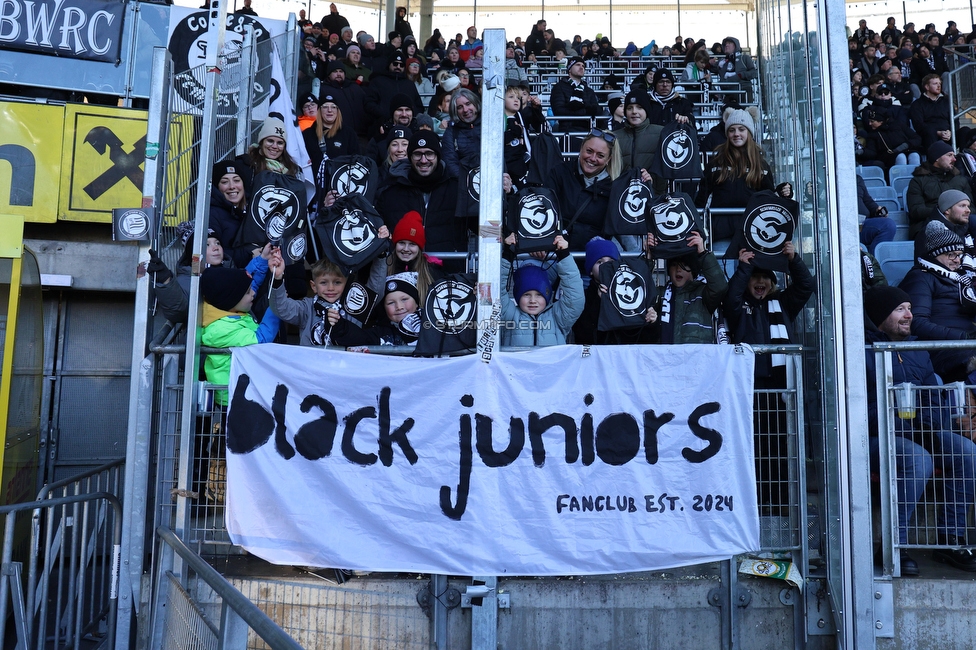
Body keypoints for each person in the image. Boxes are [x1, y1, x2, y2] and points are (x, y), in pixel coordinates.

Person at [863, 285, 976, 574]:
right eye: (900, 309)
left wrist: (928, 424)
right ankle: (893, 545)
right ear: (879, 316)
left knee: (967, 452)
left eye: (910, 308)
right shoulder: (862, 353)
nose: (909, 315)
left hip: (917, 432)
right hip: (876, 438)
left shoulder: (917, 350)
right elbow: (861, 413)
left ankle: (951, 539)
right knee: (918, 459)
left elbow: (934, 402)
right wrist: (908, 424)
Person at [724, 242, 814, 514]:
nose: (760, 281)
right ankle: (753, 505)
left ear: (773, 284)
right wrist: (744, 267)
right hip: (748, 389)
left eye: (765, 277)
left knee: (778, 448)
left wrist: (794, 259)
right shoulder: (739, 307)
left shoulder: (783, 304)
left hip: (780, 389)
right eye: (755, 277)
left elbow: (805, 286)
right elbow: (730, 299)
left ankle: (779, 507)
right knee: (752, 448)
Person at [696, 107, 790, 238]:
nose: (736, 134)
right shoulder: (716, 163)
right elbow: (701, 197)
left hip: (752, 232)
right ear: (727, 134)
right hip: (721, 231)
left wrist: (781, 192)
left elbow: (768, 198)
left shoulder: (761, 165)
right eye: (732, 130)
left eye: (741, 129)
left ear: (749, 133)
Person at [900, 221, 976, 382]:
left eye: (959, 255)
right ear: (935, 254)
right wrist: (964, 337)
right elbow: (917, 323)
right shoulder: (921, 278)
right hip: (943, 350)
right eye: (951, 255)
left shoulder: (960, 279)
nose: (957, 260)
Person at [375, 131, 467, 253]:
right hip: (404, 267)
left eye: (429, 154)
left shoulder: (456, 189)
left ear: (438, 156)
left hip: (448, 267)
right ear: (410, 157)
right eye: (417, 154)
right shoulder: (390, 191)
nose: (423, 160)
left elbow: (479, 225)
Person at [200, 262, 279, 403]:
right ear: (232, 299)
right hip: (232, 396)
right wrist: (277, 305)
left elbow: (245, 287)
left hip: (243, 389)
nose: (253, 293)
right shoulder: (221, 329)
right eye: (248, 292)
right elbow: (261, 338)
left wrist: (263, 260)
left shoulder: (226, 308)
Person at [500, 234, 584, 347]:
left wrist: (563, 254)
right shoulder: (510, 315)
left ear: (548, 294)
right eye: (526, 295)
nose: (533, 300)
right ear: (517, 296)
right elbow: (496, 289)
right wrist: (507, 254)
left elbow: (575, 295)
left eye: (539, 294)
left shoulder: (558, 316)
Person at [269, 254, 368, 347]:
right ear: (313, 286)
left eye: (337, 282)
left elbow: (375, 287)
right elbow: (282, 308)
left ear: (347, 285)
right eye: (323, 282)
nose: (330, 288)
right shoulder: (307, 307)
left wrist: (381, 257)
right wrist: (277, 278)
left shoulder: (355, 306)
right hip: (311, 363)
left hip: (345, 363)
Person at [546, 129, 621, 250]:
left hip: (594, 259)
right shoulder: (559, 172)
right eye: (589, 151)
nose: (592, 158)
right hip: (556, 251)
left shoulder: (615, 187)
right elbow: (544, 208)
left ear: (608, 159)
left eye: (600, 155)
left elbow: (621, 230)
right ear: (581, 149)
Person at [572, 237, 657, 344]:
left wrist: (651, 321)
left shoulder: (632, 291)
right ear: (590, 271)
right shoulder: (584, 298)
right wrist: (599, 303)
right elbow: (583, 336)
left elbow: (643, 338)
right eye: (599, 262)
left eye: (611, 261)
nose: (606, 265)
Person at [651, 231, 728, 344]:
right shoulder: (661, 294)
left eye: (684, 265)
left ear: (693, 271)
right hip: (666, 359)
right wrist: (648, 257)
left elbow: (720, 286)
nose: (678, 269)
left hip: (697, 360)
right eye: (673, 265)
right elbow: (642, 295)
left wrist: (702, 253)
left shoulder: (703, 293)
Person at [327, 272, 422, 347]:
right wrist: (338, 325)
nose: (399, 307)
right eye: (391, 303)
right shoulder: (379, 333)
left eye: (404, 299)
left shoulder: (430, 326)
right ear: (384, 308)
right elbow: (356, 338)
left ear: (417, 302)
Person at [368, 210, 444, 303]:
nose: (406, 249)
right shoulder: (384, 267)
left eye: (412, 244)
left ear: (419, 248)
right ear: (395, 244)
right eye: (401, 243)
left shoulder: (431, 272)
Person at [906, 141, 973, 237]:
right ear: (937, 158)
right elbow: (916, 211)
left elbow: (972, 207)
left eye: (954, 156)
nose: (954, 159)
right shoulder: (918, 181)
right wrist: (945, 212)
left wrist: (956, 214)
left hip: (960, 222)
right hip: (929, 223)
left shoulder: (960, 179)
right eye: (950, 155)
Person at [364, 51, 424, 137]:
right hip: (382, 128)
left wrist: (409, 117)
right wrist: (385, 114)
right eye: (395, 64)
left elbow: (418, 106)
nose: (398, 67)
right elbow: (369, 103)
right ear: (389, 64)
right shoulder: (377, 81)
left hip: (408, 129)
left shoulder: (409, 84)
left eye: (401, 65)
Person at [304, 92, 360, 176]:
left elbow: (356, 160)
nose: (329, 110)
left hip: (340, 184)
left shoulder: (348, 133)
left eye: (333, 107)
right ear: (319, 111)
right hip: (314, 184)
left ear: (338, 111)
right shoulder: (308, 134)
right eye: (325, 107)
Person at [858, 105, 921, 174]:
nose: (869, 124)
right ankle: (901, 180)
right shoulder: (873, 134)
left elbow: (916, 138)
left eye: (872, 121)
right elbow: (872, 152)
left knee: (914, 155)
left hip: (907, 149)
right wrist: (862, 152)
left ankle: (916, 179)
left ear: (881, 121)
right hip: (888, 157)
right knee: (901, 157)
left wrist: (906, 145)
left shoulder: (899, 125)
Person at [548, 57, 601, 132]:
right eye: (577, 65)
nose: (581, 67)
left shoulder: (589, 90)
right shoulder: (559, 87)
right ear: (569, 69)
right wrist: (585, 111)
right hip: (567, 131)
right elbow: (559, 111)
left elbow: (597, 111)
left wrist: (575, 109)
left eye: (583, 66)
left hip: (588, 131)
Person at [320, 61, 368, 142]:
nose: (339, 74)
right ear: (329, 74)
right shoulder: (323, 90)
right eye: (335, 71)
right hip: (337, 135)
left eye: (341, 71)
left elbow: (367, 105)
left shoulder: (355, 87)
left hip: (361, 135)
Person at [616, 89, 662, 174]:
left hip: (653, 187)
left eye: (639, 107)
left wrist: (684, 122)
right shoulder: (616, 136)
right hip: (623, 186)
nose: (634, 112)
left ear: (646, 110)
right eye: (629, 108)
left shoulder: (661, 132)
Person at [442, 89, 481, 180]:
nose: (465, 110)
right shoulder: (451, 133)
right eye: (460, 107)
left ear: (475, 104)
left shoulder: (488, 126)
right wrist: (471, 182)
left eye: (468, 104)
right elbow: (450, 163)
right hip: (464, 184)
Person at [909, 74, 952, 151]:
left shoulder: (947, 102)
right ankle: (934, 161)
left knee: (965, 131)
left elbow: (954, 120)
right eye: (935, 84)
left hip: (948, 134)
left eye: (939, 83)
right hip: (929, 135)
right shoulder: (917, 104)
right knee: (930, 132)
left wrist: (950, 132)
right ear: (927, 87)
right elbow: (919, 125)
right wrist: (938, 132)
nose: (939, 86)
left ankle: (963, 160)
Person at [856, 173, 895, 254]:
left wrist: (877, 209)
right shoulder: (828, 180)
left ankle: (873, 263)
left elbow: (867, 200)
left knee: (888, 225)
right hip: (844, 226)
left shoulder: (856, 178)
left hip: (862, 223)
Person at [717, 36, 758, 100]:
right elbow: (706, 66)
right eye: (725, 44)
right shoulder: (722, 62)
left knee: (745, 109)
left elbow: (753, 73)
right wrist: (709, 63)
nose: (726, 45)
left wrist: (741, 75)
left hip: (743, 92)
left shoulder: (744, 58)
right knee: (728, 109)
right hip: (727, 94)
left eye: (729, 43)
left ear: (735, 45)